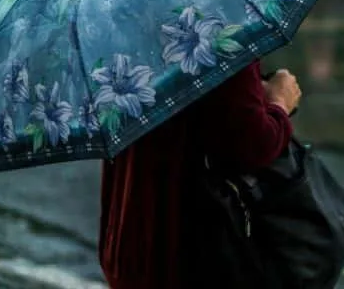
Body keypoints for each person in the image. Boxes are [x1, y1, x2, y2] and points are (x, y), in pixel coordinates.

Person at [99, 62, 302, 289]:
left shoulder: (117, 34)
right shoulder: (216, 33)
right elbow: (254, 144)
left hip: (129, 238)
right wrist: (280, 102)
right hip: (188, 249)